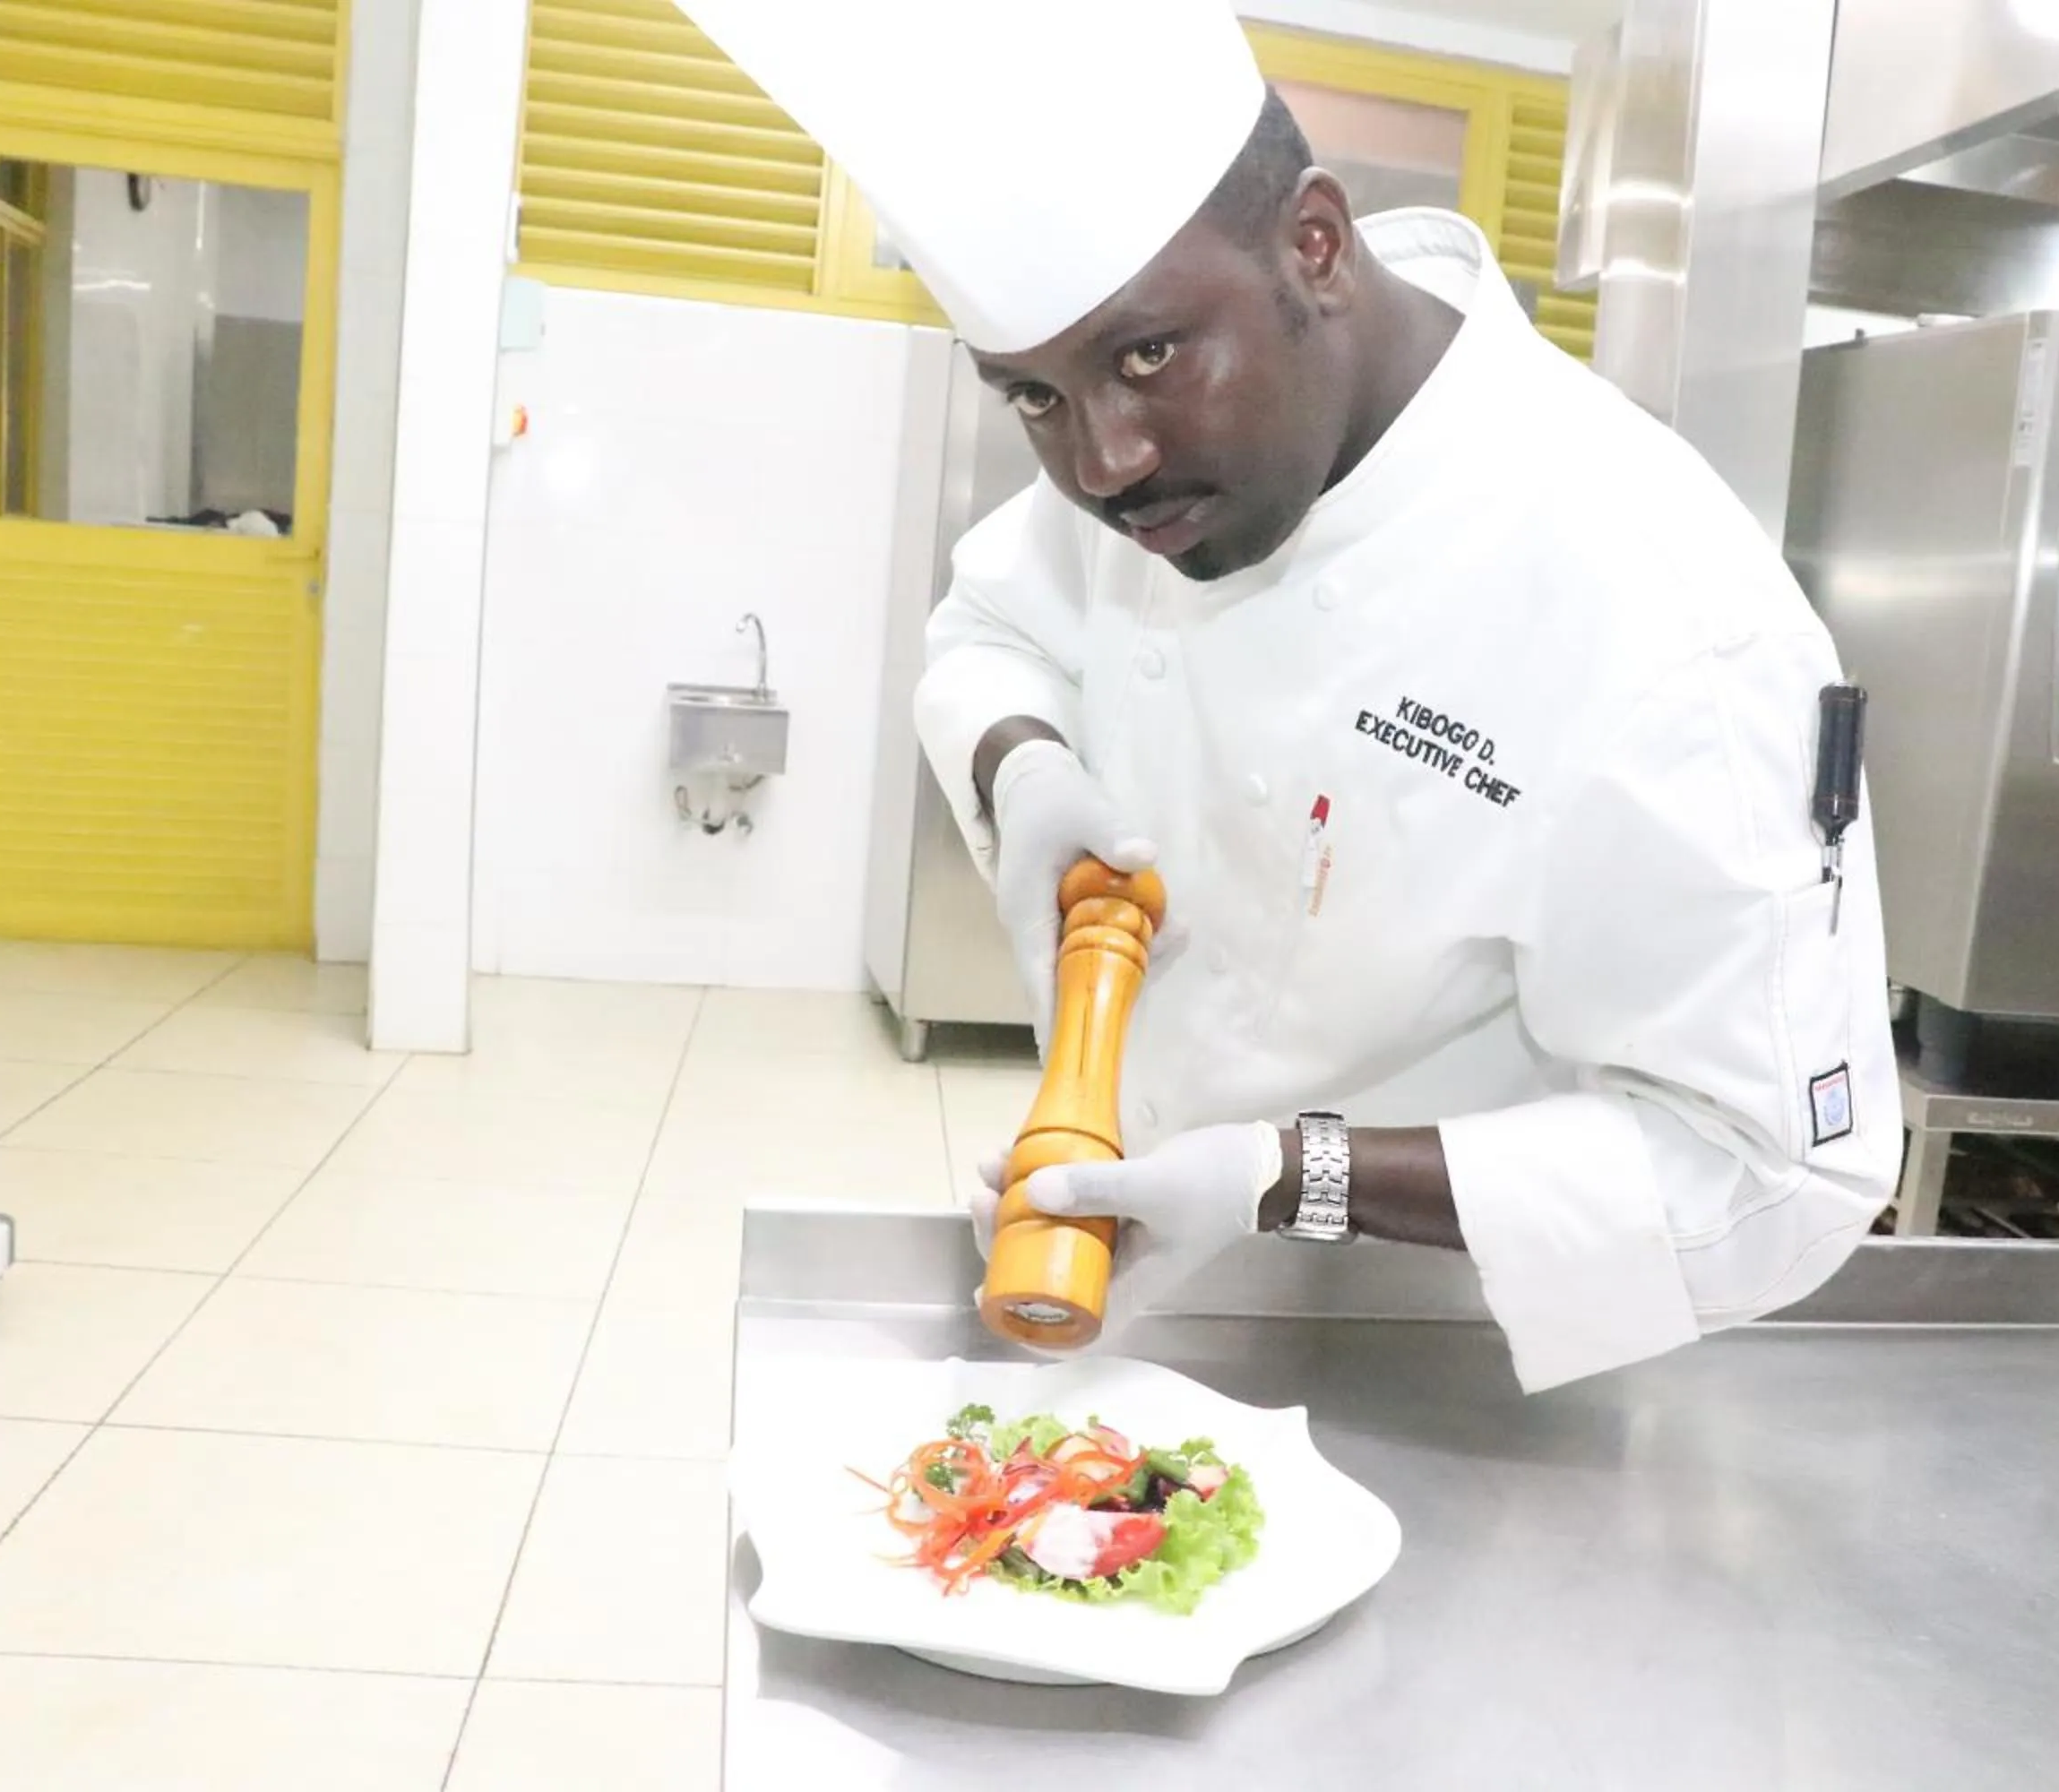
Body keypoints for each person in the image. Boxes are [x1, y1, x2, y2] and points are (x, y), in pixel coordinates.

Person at [682, 0, 1901, 1392]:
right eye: (1032, 397)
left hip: (1460, 1363)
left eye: (1148, 356)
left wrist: (1289, 1177)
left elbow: (1773, 1179)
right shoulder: (1144, 464)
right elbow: (988, 629)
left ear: (1313, 245)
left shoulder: (1667, 610)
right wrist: (1023, 770)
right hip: (1140, 1304)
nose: (1103, 463)